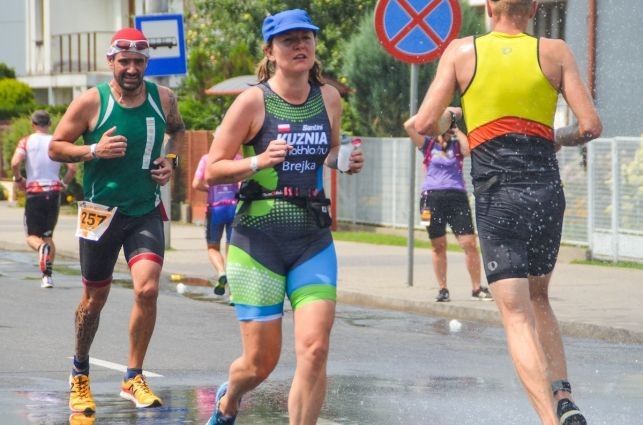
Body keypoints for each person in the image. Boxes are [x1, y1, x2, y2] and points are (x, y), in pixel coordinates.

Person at [413, 1, 601, 424]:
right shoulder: (555, 52)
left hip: (498, 197)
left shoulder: (462, 52)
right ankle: (564, 397)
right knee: (539, 298)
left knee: (516, 317)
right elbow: (590, 125)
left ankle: (549, 419)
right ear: (533, 8)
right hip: (546, 193)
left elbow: (424, 123)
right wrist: (556, 136)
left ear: (490, 6)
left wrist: (454, 119)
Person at [203, 9, 363, 425]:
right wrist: (257, 160)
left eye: (306, 38)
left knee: (315, 349)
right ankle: (229, 399)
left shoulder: (328, 97)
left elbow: (329, 151)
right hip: (258, 242)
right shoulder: (252, 101)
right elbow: (212, 170)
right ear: (270, 51)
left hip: (312, 239)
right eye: (289, 40)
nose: (300, 46)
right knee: (260, 364)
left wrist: (343, 160)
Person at [48, 27, 185, 414]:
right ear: (111, 61)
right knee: (94, 300)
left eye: (138, 61)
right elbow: (56, 146)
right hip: (99, 213)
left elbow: (178, 131)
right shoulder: (92, 101)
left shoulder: (164, 98)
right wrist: (94, 149)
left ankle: (133, 376)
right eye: (124, 61)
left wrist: (170, 161)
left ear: (146, 63)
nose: (131, 68)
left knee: (147, 289)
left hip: (144, 210)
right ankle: (79, 372)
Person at [403, 116, 491, 302]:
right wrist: (434, 112)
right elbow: (408, 126)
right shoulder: (428, 145)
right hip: (430, 199)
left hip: (456, 197)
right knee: (438, 245)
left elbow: (469, 150)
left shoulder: (456, 146)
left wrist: (456, 128)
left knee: (469, 243)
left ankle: (477, 288)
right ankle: (443, 289)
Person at [11, 110, 76, 288]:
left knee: (32, 237)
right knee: (48, 236)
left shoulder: (26, 141)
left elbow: (15, 162)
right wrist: (63, 183)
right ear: (50, 124)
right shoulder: (57, 142)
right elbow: (72, 168)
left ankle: (41, 249)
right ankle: (47, 277)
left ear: (32, 124)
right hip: (53, 193)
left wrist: (18, 179)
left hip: (35, 192)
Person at [192, 148, 240, 296]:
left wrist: (210, 190)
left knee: (213, 247)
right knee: (232, 248)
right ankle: (233, 292)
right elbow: (241, 184)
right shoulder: (238, 159)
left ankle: (221, 273)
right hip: (234, 208)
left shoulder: (206, 159)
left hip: (215, 209)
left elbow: (196, 184)